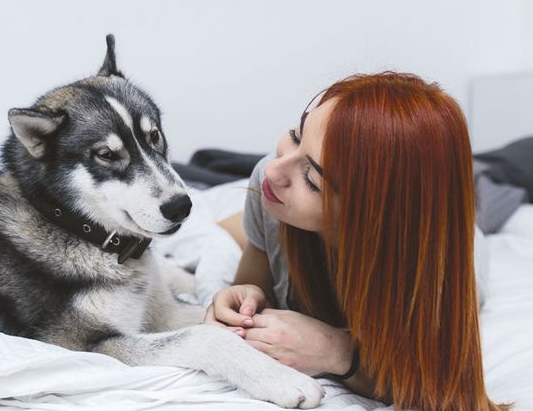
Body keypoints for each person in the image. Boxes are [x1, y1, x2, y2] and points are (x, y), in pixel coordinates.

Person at [204, 72, 510, 411]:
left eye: (312, 179)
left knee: (495, 189)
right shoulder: (269, 178)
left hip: (460, 234)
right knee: (221, 226)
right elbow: (251, 284)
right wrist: (244, 299)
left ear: (371, 219)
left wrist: (337, 351)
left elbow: (439, 389)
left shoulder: (437, 271)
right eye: (295, 135)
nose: (275, 170)